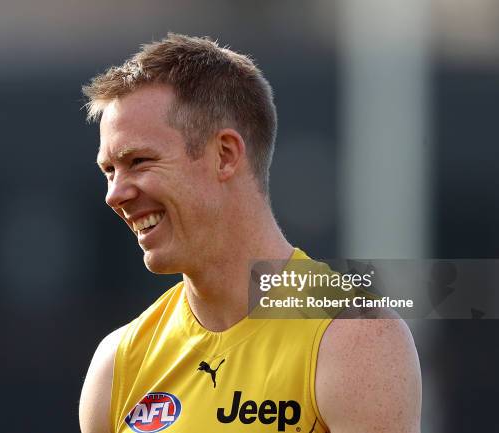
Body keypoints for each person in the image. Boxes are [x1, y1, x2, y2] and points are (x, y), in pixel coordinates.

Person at [79, 33, 422, 433]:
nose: (114, 194)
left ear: (225, 155)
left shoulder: (353, 338)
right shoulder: (118, 363)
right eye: (109, 171)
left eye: (138, 161)